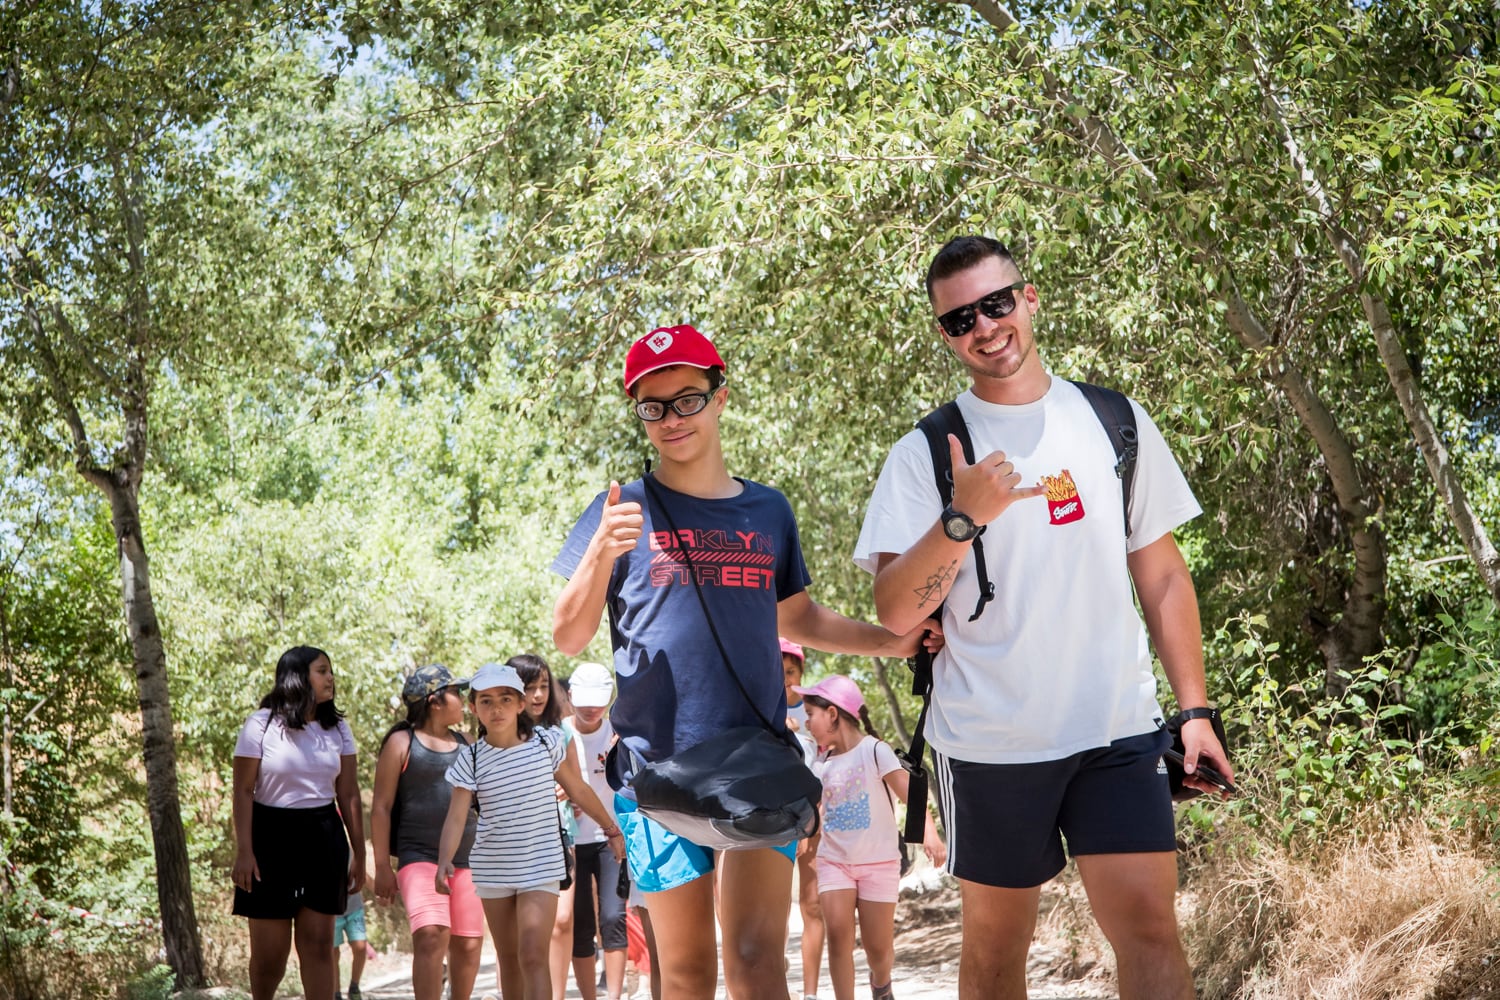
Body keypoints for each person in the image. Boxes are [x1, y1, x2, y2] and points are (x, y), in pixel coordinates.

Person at [853, 235, 1234, 1000]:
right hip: (989, 743)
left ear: (1029, 299)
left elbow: (1160, 573)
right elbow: (895, 612)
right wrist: (962, 519)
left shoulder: (1113, 419)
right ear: (944, 335)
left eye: (997, 304)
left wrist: (1193, 710)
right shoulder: (927, 453)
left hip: (1116, 729)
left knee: (1152, 932)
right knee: (996, 956)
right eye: (961, 319)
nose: (985, 327)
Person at [551, 324, 934, 1000]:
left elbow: (801, 619)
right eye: (654, 405)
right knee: (689, 972)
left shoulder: (768, 510)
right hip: (656, 773)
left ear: (720, 397)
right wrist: (601, 555)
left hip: (757, 762)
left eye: (688, 399)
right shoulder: (617, 509)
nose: (672, 419)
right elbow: (569, 636)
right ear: (639, 413)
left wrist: (890, 640)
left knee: (757, 959)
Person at [437, 661, 626, 1000]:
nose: (496, 709)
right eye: (486, 701)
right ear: (473, 707)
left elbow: (580, 789)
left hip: (540, 864)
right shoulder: (471, 759)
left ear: (521, 704)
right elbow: (455, 817)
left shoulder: (547, 743)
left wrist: (612, 831)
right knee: (509, 960)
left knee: (532, 955)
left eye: (505, 699)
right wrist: (444, 862)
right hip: (493, 869)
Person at [795, 675, 945, 1000]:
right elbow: (816, 813)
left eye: (811, 714)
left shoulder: (875, 751)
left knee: (879, 952)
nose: (807, 723)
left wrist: (931, 836)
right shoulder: (820, 764)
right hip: (835, 864)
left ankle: (881, 984)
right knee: (839, 940)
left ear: (832, 714)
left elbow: (912, 796)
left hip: (879, 864)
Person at [231, 645, 365, 1000]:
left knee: (319, 946)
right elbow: (243, 790)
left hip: (324, 837)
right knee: (269, 956)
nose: (330, 677)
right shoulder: (260, 724)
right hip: (269, 838)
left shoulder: (337, 728)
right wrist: (244, 851)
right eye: (322, 670)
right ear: (298, 676)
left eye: (330, 670)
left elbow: (349, 794)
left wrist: (360, 854)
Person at [370, 664, 484, 1000]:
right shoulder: (401, 743)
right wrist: (381, 867)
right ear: (435, 701)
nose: (462, 699)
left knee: (468, 944)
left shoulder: (470, 743)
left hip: (468, 858)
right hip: (418, 857)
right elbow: (380, 808)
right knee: (432, 934)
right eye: (456, 693)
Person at [507, 652, 585, 1000]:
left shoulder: (561, 731)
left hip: (560, 836)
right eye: (529, 687)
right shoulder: (498, 733)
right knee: (517, 936)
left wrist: (568, 793)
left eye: (542, 686)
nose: (538, 695)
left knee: (563, 920)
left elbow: (579, 792)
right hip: (512, 844)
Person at [563, 662, 630, 1000]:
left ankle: (615, 995)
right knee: (579, 924)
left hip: (610, 838)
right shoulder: (558, 735)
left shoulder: (620, 734)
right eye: (584, 701)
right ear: (570, 696)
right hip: (571, 841)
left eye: (599, 701)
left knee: (613, 916)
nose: (591, 709)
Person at [781, 637, 825, 1000]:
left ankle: (810, 992)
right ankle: (774, 967)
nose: (784, 679)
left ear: (801, 673)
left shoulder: (816, 712)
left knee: (811, 903)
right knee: (774, 904)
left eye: (790, 671)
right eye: (776, 671)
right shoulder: (762, 709)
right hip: (774, 820)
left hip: (814, 817)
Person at [332, 879, 369, 1000]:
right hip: (332, 913)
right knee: (333, 954)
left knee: (361, 947)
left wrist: (379, 891)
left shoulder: (353, 858)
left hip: (354, 909)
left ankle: (354, 986)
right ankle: (336, 993)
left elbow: (363, 875)